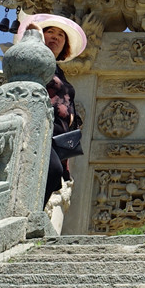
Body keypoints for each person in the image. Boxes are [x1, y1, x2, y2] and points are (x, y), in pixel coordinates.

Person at [14, 14, 88, 207]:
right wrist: (35, 34)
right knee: (52, 170)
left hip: (58, 135)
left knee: (54, 177)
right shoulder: (34, 59)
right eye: (50, 32)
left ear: (65, 45)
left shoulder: (58, 71)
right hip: (38, 127)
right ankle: (29, 213)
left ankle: (33, 212)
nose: (55, 37)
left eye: (61, 35)